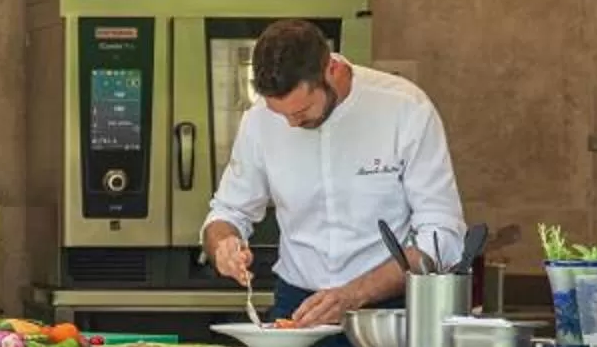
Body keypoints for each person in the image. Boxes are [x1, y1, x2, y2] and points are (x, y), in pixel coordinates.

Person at [200, 19, 466, 328]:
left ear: (331, 70)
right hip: (296, 307)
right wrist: (224, 244)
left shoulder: (405, 108)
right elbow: (228, 211)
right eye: (281, 114)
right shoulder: (259, 120)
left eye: (301, 112)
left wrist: (355, 294)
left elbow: (442, 234)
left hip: (389, 313)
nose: (291, 125)